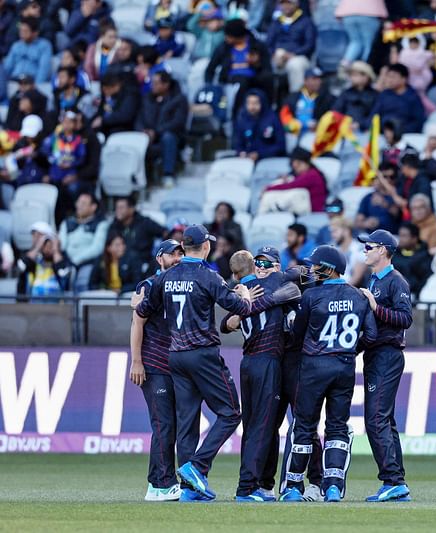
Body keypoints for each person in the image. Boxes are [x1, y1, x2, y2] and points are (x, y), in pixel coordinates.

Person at [133, 225, 256, 502]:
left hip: (175, 357)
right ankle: (196, 468)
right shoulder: (207, 276)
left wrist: (136, 303)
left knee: (186, 423)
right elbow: (240, 309)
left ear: (184, 247)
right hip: (202, 354)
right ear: (206, 247)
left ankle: (190, 489)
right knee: (231, 413)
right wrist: (245, 295)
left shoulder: (167, 277)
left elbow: (142, 309)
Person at [281, 246, 377, 502]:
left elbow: (297, 335)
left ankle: (292, 486)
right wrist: (348, 352)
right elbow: (371, 335)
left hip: (314, 368)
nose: (311, 269)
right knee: (336, 427)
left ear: (329, 268)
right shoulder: (359, 296)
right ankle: (332, 487)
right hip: (344, 367)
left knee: (304, 426)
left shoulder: (312, 296)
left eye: (315, 265)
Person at [221, 250, 302, 502]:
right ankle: (247, 487)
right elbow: (298, 278)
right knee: (264, 427)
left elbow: (225, 325)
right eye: (259, 263)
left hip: (248, 362)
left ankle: (253, 483)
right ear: (254, 266)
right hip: (268, 361)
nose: (263, 267)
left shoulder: (237, 294)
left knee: (252, 425)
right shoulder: (273, 281)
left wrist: (245, 303)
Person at [358, 229, 413, 502]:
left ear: (382, 250)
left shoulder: (395, 281)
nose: (364, 250)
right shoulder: (375, 279)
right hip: (376, 354)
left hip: (387, 355)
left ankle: (392, 480)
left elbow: (405, 319)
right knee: (384, 420)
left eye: (368, 246)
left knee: (376, 418)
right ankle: (396, 481)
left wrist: (375, 307)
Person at [128, 239, 184, 502]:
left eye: (180, 255)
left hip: (176, 364)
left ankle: (156, 484)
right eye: (172, 255)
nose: (177, 259)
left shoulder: (182, 285)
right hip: (154, 364)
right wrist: (136, 361)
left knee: (170, 425)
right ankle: (162, 483)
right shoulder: (149, 285)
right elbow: (137, 324)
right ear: (159, 258)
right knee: (164, 424)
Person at [137, 70, 189, 185]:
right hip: (148, 136)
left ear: (166, 85)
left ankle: (168, 175)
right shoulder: (146, 98)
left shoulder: (179, 99)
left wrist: (156, 132)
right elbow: (139, 119)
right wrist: (143, 131)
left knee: (168, 137)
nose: (152, 86)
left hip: (172, 136)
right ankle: (142, 180)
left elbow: (177, 122)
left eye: (156, 83)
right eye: (152, 83)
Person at [59, 192, 110, 287]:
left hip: (88, 263)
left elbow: (97, 248)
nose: (79, 206)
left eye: (83, 204)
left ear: (93, 207)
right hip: (67, 262)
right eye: (78, 203)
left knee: (83, 283)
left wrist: (76, 260)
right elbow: (62, 245)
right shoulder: (67, 222)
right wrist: (68, 262)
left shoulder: (101, 224)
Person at [265, 0, 316, 92]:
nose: (286, 6)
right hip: (278, 57)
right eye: (283, 3)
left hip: (299, 57)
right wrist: (273, 54)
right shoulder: (276, 22)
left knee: (294, 65)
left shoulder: (306, 21)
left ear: (296, 4)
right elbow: (269, 43)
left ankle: (295, 98)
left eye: (289, 3)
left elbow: (310, 44)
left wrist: (293, 54)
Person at [262, 148, 328, 214]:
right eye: (295, 168)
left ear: (306, 163)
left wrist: (269, 188)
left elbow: (291, 185)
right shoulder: (305, 174)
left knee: (293, 191)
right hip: (305, 208)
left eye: (298, 166)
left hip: (314, 210)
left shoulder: (312, 175)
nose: (296, 170)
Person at [370, 64, 425, 134]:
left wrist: (397, 132)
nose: (389, 80)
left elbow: (417, 121)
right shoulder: (384, 94)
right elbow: (374, 114)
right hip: (381, 133)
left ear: (404, 79)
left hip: (403, 135)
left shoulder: (413, 97)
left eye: (393, 77)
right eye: (388, 76)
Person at [17, 226, 71, 298]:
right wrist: (37, 247)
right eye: (45, 245)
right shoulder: (33, 262)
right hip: (33, 303)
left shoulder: (61, 260)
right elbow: (22, 266)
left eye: (50, 246)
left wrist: (55, 250)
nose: (48, 249)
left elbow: (63, 273)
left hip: (55, 305)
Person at [233, 89, 286, 162]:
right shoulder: (242, 119)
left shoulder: (273, 119)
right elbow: (238, 143)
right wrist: (241, 152)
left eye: (255, 103)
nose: (252, 107)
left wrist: (260, 154)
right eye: (249, 103)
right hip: (247, 160)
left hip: (269, 159)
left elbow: (280, 145)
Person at [279, 67, 335, 136]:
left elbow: (331, 116)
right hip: (294, 133)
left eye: (319, 79)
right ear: (305, 81)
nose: (318, 82)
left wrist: (319, 124)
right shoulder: (294, 97)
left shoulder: (327, 98)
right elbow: (284, 113)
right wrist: (291, 124)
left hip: (316, 134)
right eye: (314, 79)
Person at [334, 0, 387, 65]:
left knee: (355, 42)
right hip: (370, 13)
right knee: (368, 44)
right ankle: (365, 66)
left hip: (347, 13)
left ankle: (344, 65)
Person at [332, 61, 378, 132]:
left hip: (365, 132)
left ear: (366, 77)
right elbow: (336, 111)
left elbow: (374, 115)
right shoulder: (346, 93)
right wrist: (343, 123)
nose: (351, 78)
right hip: (344, 130)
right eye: (351, 75)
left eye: (355, 75)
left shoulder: (374, 95)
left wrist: (360, 124)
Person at [3, 17, 52, 84]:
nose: (22, 34)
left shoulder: (44, 46)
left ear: (35, 33)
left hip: (31, 82)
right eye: (21, 31)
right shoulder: (16, 45)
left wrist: (36, 87)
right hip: (14, 80)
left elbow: (44, 69)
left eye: (25, 31)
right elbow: (7, 67)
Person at [92, 72, 139, 137]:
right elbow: (100, 112)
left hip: (122, 130)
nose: (105, 92)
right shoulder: (107, 94)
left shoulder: (129, 95)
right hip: (105, 127)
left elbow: (124, 116)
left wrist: (103, 121)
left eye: (107, 89)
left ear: (116, 86)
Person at [392, 222, 431, 297]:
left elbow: (425, 279)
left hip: (415, 295)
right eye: (400, 235)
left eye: (404, 236)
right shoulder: (395, 254)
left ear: (414, 238)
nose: (401, 239)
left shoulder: (424, 256)